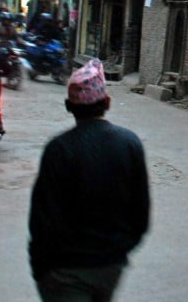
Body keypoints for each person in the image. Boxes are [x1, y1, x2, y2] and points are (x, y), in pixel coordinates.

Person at [29, 60, 150, 301]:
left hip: (65, 271)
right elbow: (140, 213)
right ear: (107, 102)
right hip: (110, 267)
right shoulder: (129, 143)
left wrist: (40, 267)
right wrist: (119, 250)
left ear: (68, 106)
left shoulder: (59, 149)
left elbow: (41, 219)